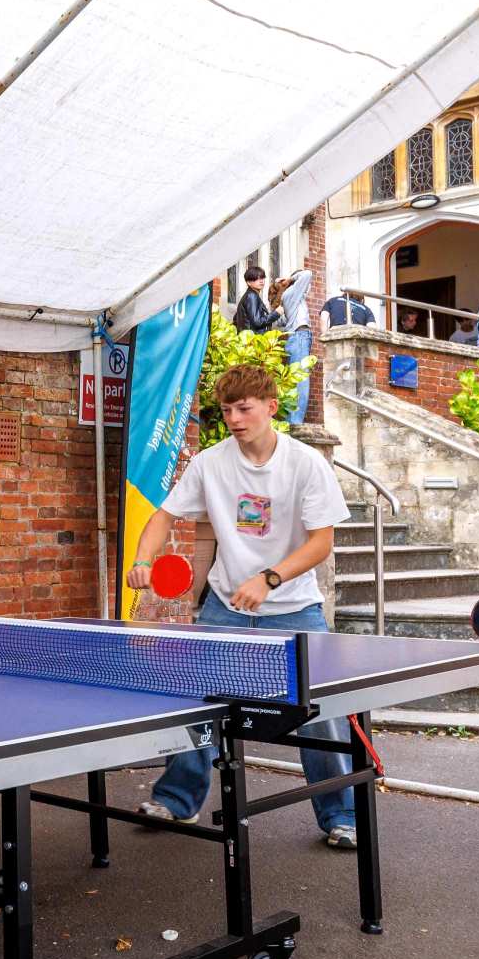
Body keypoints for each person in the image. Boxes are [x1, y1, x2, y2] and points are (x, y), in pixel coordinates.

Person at [124, 363, 355, 846]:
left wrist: (269, 579)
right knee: (198, 701)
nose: (234, 417)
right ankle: (177, 800)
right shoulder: (210, 463)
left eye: (244, 408)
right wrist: (143, 559)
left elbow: (320, 544)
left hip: (293, 607)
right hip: (225, 608)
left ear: (271, 407)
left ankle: (342, 815)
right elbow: (163, 516)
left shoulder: (306, 463)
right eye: (227, 409)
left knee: (321, 711)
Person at [232, 262, 286, 335]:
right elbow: (257, 322)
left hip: (248, 340)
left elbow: (236, 319)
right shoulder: (251, 296)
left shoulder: (249, 295)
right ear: (248, 282)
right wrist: (276, 314)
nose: (261, 281)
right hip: (253, 340)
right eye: (256, 279)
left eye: (262, 278)